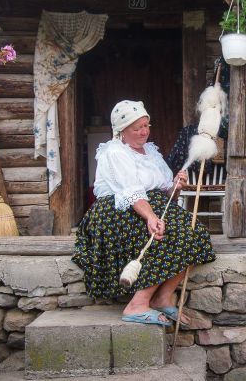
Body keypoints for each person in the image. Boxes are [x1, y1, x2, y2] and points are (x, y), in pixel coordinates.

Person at [73, 100, 216, 325]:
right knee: (164, 235)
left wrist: (175, 187)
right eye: (137, 128)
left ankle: (163, 297)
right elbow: (132, 191)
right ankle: (137, 304)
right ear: (122, 130)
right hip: (118, 209)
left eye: (147, 125)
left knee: (194, 231)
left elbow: (167, 195)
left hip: (150, 205)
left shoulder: (151, 152)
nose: (144, 132)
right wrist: (150, 217)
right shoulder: (115, 152)